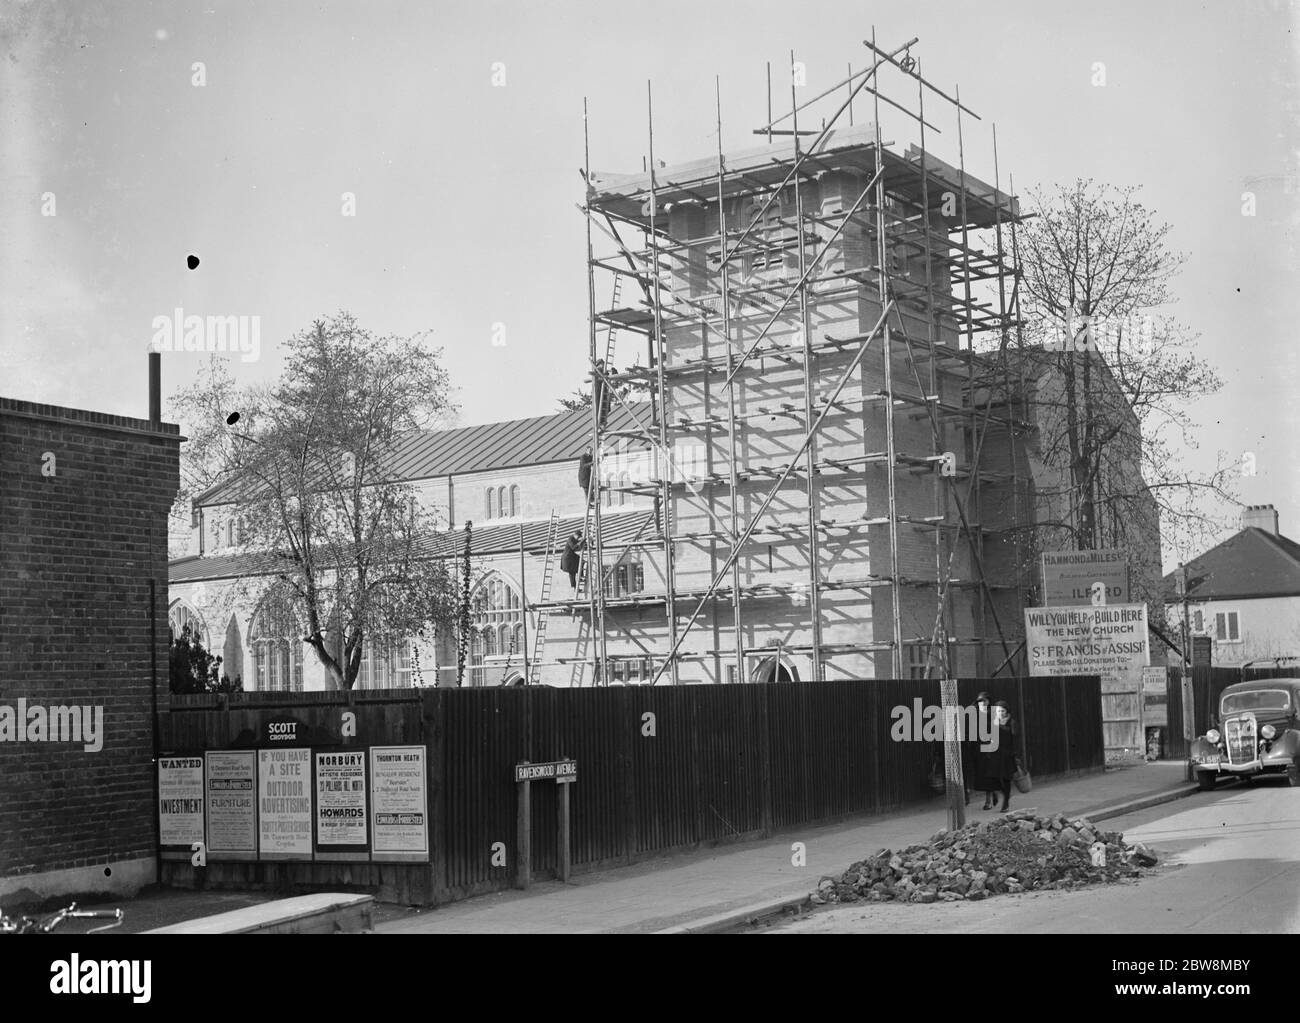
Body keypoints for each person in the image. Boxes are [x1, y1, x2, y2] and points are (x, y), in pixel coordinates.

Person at [981, 700, 1018, 812]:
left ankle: (1006, 803)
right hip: (995, 754)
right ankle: (997, 793)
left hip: (1007, 755)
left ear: (1007, 711)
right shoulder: (993, 722)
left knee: (1006, 779)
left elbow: (1014, 736)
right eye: (998, 710)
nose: (1000, 713)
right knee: (992, 777)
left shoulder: (1011, 722)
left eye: (1002, 710)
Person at [962, 691, 992, 807]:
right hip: (973, 746)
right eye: (980, 701)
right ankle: (966, 796)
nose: (982, 703)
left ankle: (988, 799)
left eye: (985, 701)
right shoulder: (972, 712)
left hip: (987, 746)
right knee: (968, 771)